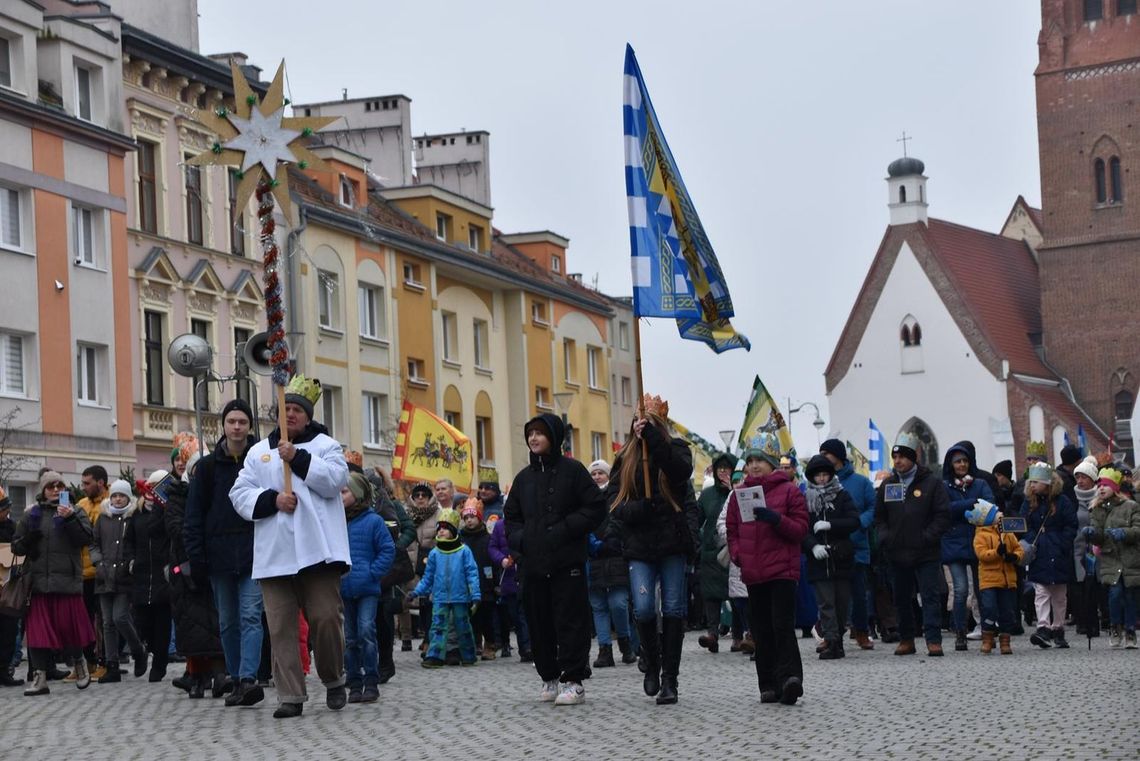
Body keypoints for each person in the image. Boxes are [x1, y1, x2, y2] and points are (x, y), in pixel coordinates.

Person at [229, 375, 351, 720]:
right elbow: (238, 494)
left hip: (318, 551)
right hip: (276, 554)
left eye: (297, 410)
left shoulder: (326, 445)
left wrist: (297, 458)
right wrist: (272, 500)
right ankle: (290, 695)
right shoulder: (258, 452)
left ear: (307, 416)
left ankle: (333, 678)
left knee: (326, 619)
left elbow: (334, 482)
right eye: (287, 409)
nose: (291, 415)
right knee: (280, 626)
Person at [504, 413, 605, 707]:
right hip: (534, 564)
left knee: (570, 620)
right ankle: (548, 675)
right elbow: (511, 519)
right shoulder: (523, 479)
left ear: (554, 437)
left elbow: (595, 507)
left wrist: (566, 529)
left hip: (566, 561)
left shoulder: (573, 471)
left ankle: (573, 680)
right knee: (539, 622)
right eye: (530, 433)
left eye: (540, 433)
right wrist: (523, 540)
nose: (534, 438)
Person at [607, 397, 698, 705]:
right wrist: (638, 510)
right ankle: (651, 659)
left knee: (673, 608)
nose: (641, 427)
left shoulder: (677, 450)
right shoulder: (625, 458)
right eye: (638, 422)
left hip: (671, 541)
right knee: (644, 607)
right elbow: (613, 504)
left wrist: (656, 441)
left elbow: (679, 473)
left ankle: (670, 678)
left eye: (647, 422)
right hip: (640, 545)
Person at [184, 398, 263, 706]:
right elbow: (193, 517)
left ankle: (248, 678)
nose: (237, 426)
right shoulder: (206, 468)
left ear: (249, 426)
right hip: (217, 556)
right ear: (223, 425)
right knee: (228, 621)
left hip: (254, 553)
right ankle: (234, 676)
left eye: (242, 421)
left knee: (251, 616)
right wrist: (197, 558)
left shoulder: (259, 461)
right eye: (232, 421)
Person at [725, 437, 809, 705]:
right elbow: (732, 530)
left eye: (759, 460)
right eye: (750, 461)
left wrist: (777, 520)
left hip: (782, 570)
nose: (753, 466)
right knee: (761, 629)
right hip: (753, 571)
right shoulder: (739, 495)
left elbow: (800, 530)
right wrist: (738, 556)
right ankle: (768, 684)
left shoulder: (789, 492)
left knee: (782, 625)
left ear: (772, 463)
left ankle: (790, 679)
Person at [12, 471, 96, 695]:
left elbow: (86, 539)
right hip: (38, 583)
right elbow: (16, 547)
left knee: (70, 629)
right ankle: (40, 678)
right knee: (38, 633)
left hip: (67, 581)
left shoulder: (75, 510)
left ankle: (79, 663)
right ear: (43, 490)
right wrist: (28, 540)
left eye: (60, 486)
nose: (56, 490)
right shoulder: (32, 514)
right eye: (51, 486)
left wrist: (69, 519)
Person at [873, 432, 951, 657]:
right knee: (901, 598)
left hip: (925, 552)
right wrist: (886, 536)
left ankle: (933, 640)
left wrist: (926, 537)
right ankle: (907, 639)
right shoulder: (888, 485)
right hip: (897, 552)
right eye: (895, 457)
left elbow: (942, 515)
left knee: (930, 596)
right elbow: (879, 517)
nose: (898, 461)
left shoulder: (931, 483)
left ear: (912, 458)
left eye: (902, 457)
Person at [164, 445, 227, 699]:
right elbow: (176, 527)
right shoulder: (178, 495)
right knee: (193, 625)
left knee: (216, 623)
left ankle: (221, 674)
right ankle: (198, 676)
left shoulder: (218, 492)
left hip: (214, 564)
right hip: (187, 569)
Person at [340, 471, 395, 703]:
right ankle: (353, 682)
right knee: (350, 638)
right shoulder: (337, 521)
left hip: (368, 588)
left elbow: (388, 549)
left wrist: (373, 573)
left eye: (344, 491)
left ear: (359, 493)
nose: (340, 496)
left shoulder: (373, 521)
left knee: (366, 632)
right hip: (344, 587)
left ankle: (371, 680)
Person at [819, 439, 877, 650]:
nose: (824, 457)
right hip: (829, 547)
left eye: (827, 453)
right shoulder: (820, 482)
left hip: (856, 545)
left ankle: (861, 631)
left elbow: (873, 507)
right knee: (829, 595)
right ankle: (831, 634)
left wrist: (860, 523)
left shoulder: (860, 482)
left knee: (858, 593)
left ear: (838, 456)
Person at [801, 454, 859, 661]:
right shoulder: (805, 498)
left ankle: (839, 639)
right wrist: (813, 545)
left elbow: (854, 521)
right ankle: (832, 641)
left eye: (826, 474)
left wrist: (832, 525)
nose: (822, 479)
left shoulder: (842, 496)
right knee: (826, 603)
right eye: (819, 476)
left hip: (840, 556)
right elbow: (801, 529)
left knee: (842, 602)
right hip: (818, 561)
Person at [90, 479, 146, 683]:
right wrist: (98, 562)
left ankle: (138, 649)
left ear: (128, 497)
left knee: (120, 617)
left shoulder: (133, 517)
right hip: (104, 576)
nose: (118, 499)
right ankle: (111, 664)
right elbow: (94, 543)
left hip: (124, 576)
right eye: (114, 495)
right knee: (107, 623)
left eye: (121, 495)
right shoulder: (103, 518)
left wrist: (132, 563)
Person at [408, 508, 479, 668]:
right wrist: (416, 592)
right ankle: (435, 656)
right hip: (440, 597)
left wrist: (475, 594)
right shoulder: (434, 553)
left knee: (463, 627)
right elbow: (428, 578)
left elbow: (472, 574)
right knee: (438, 627)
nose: (441, 531)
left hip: (460, 597)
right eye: (439, 528)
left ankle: (468, 655)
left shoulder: (464, 551)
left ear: (453, 531)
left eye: (445, 528)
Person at [940, 442, 994, 651]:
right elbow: (946, 510)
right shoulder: (944, 486)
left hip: (979, 541)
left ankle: (988, 630)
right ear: (951, 465)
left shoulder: (980, 483)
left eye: (964, 461)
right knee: (961, 590)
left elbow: (989, 506)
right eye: (957, 461)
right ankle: (960, 631)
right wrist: (971, 503)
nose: (961, 465)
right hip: (954, 543)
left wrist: (963, 508)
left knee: (983, 590)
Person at [1020, 461, 1077, 649]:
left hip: (1058, 551)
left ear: (1047, 482)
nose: (1033, 485)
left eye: (1036, 481)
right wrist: (1030, 541)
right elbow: (1024, 524)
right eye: (1032, 482)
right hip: (1040, 551)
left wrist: (1062, 543)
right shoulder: (1029, 502)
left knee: (1059, 594)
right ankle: (1043, 626)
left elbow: (1070, 525)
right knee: (1041, 591)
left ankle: (1058, 628)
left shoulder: (1063, 502)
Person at [125, 470, 174, 683]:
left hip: (162, 573)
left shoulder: (169, 509)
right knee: (142, 622)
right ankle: (144, 650)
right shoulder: (137, 513)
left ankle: (159, 663)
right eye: (151, 485)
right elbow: (129, 541)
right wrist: (131, 560)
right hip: (142, 574)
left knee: (162, 623)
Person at [1085, 467, 1140, 648]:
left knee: (1130, 596)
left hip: (1130, 559)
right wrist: (1092, 534)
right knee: (1115, 595)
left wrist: (1124, 533)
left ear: (1115, 487)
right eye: (1099, 485)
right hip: (1110, 560)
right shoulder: (1097, 509)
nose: (1101, 488)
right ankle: (1115, 627)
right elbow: (1099, 538)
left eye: (1106, 485)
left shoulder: (1131, 506)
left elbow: (1137, 530)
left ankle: (1130, 629)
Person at [587, 491, 637, 668]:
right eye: (594, 473)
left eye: (601, 473)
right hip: (594, 561)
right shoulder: (587, 505)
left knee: (619, 604)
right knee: (599, 607)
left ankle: (625, 643)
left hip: (617, 561)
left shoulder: (618, 502)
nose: (597, 476)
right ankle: (604, 648)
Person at [968, 500, 1023, 654]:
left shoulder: (1007, 533)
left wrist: (1015, 556)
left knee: (1007, 611)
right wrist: (996, 553)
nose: (1001, 514)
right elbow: (982, 555)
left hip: (1007, 580)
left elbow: (1019, 549)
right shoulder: (981, 536)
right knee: (989, 608)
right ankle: (988, 637)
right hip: (989, 580)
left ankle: (1005, 640)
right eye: (997, 513)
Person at [696, 453, 735, 653]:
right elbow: (696, 519)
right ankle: (713, 634)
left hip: (733, 550)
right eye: (719, 468)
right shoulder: (707, 494)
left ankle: (739, 635)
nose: (722, 472)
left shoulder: (739, 490)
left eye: (726, 468)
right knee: (711, 595)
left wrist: (733, 490)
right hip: (710, 551)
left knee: (736, 594)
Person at [75, 465, 109, 682]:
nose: (84, 487)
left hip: (102, 571)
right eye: (83, 483)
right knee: (84, 620)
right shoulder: (80, 505)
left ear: (101, 483)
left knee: (104, 620)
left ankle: (106, 661)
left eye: (88, 483)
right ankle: (87, 662)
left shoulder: (111, 504)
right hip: (82, 573)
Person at [458, 497, 498, 660]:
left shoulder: (488, 538)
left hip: (485, 582)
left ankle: (490, 643)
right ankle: (476, 643)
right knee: (472, 616)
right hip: (468, 584)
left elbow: (494, 562)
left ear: (479, 518)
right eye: (466, 518)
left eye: (472, 517)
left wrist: (494, 582)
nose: (469, 521)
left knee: (487, 616)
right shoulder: (461, 539)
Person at [487, 514, 531, 661]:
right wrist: (502, 559)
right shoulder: (500, 525)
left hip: (528, 572)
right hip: (509, 575)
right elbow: (492, 548)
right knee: (515, 615)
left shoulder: (531, 520)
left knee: (526, 612)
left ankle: (528, 647)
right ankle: (524, 646)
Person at [405, 482, 441, 650]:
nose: (420, 498)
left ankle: (429, 638)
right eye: (417, 495)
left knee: (429, 604)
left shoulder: (437, 513)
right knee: (419, 603)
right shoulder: (406, 514)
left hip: (431, 564)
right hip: (412, 565)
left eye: (424, 495)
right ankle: (425, 637)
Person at [1070, 456, 1100, 637]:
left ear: (1092, 479)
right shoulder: (1072, 498)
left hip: (1096, 548)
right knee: (1078, 587)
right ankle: (1082, 621)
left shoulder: (1100, 496)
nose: (1080, 481)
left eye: (1084, 477)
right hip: (1076, 548)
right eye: (1078, 477)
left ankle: (1096, 622)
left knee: (1095, 586)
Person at [0, 487, 23, 687]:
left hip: (8, 585)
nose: (6, 512)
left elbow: (19, 551)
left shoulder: (12, 527)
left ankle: (4, 670)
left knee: (8, 630)